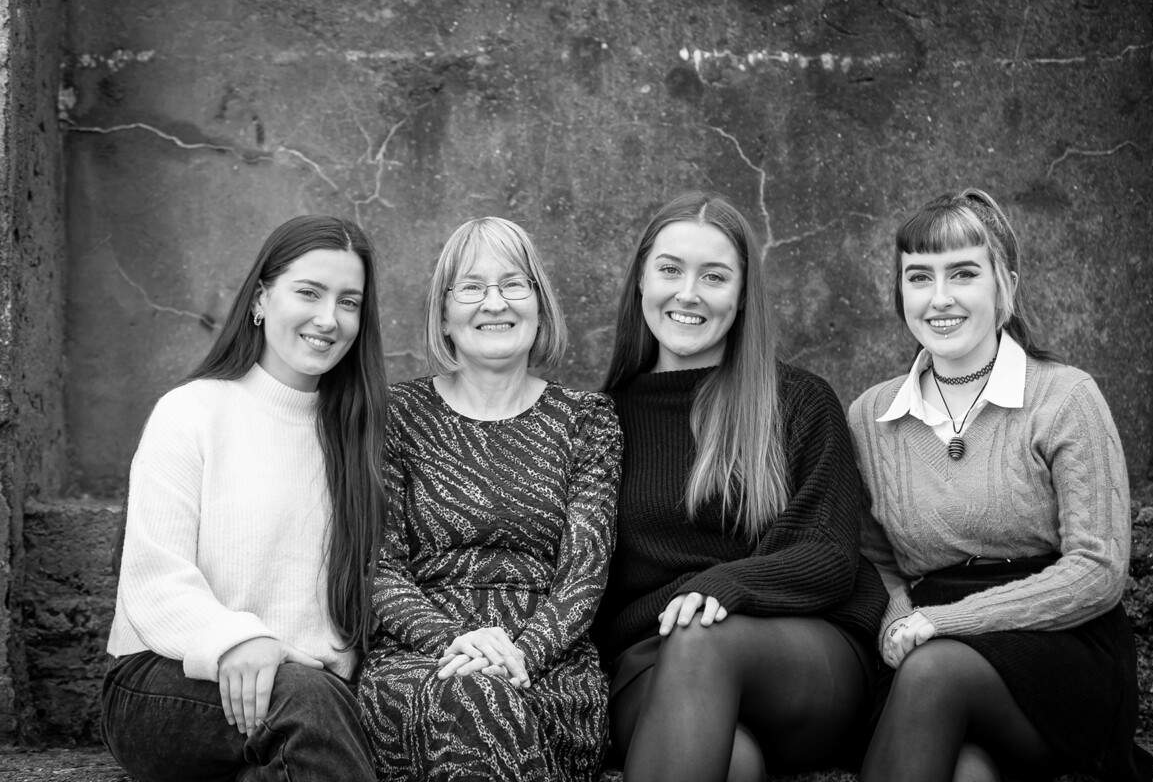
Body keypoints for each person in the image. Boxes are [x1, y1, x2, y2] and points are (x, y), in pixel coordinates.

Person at [847, 188, 1153, 782]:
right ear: (900, 293)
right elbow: (872, 558)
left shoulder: (1065, 398)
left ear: (1004, 287)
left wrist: (947, 623)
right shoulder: (871, 415)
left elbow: (1098, 567)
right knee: (966, 769)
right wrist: (896, 621)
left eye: (963, 273)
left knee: (935, 673)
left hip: (1057, 643)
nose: (940, 298)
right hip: (924, 642)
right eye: (919, 277)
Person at [592, 191, 888, 782]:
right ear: (641, 282)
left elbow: (828, 554)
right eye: (670, 270)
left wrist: (724, 584)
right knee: (733, 762)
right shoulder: (599, 421)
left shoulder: (797, 401)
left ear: (743, 294)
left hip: (801, 654)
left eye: (714, 276)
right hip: (649, 661)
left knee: (703, 636)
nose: (688, 294)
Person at [101, 216, 387, 781]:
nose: (328, 319)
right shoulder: (192, 412)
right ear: (261, 298)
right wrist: (242, 641)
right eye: (309, 292)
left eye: (349, 302)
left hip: (301, 692)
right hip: (167, 679)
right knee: (306, 703)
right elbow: (155, 577)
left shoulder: (362, 435)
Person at [356, 217, 621, 782]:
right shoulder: (396, 416)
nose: (494, 303)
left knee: (489, 694)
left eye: (514, 284)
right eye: (472, 287)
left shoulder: (587, 421)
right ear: (444, 313)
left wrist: (517, 655)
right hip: (419, 656)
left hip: (547, 665)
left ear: (540, 304)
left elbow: (584, 576)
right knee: (470, 693)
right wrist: (456, 642)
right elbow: (380, 569)